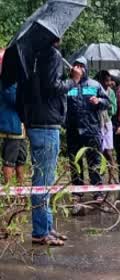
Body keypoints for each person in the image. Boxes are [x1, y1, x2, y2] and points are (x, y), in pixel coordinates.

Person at [16, 39, 76, 246]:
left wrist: (27, 119)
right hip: (46, 126)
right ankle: (41, 231)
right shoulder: (52, 54)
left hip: (36, 124)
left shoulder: (28, 57)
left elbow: (20, 95)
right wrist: (73, 80)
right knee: (43, 181)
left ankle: (47, 226)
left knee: (44, 180)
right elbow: (53, 87)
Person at [65, 57, 110, 201]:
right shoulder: (69, 85)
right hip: (73, 130)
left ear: (86, 68)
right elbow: (61, 104)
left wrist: (99, 101)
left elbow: (108, 102)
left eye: (81, 66)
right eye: (76, 65)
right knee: (74, 161)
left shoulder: (94, 85)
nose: (78, 68)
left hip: (91, 130)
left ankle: (97, 191)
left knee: (94, 161)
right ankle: (77, 191)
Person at [0, 48, 26, 186]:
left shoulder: (14, 80)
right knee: (9, 160)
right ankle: (8, 191)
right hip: (11, 126)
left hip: (19, 127)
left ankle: (20, 188)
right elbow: (15, 100)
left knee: (21, 158)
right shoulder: (6, 81)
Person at [97, 70, 116, 178]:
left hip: (107, 123)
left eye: (109, 81)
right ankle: (100, 175)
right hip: (97, 123)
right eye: (105, 81)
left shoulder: (111, 92)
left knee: (108, 152)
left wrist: (105, 105)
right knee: (99, 151)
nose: (107, 83)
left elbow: (113, 109)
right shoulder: (95, 90)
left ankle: (111, 176)